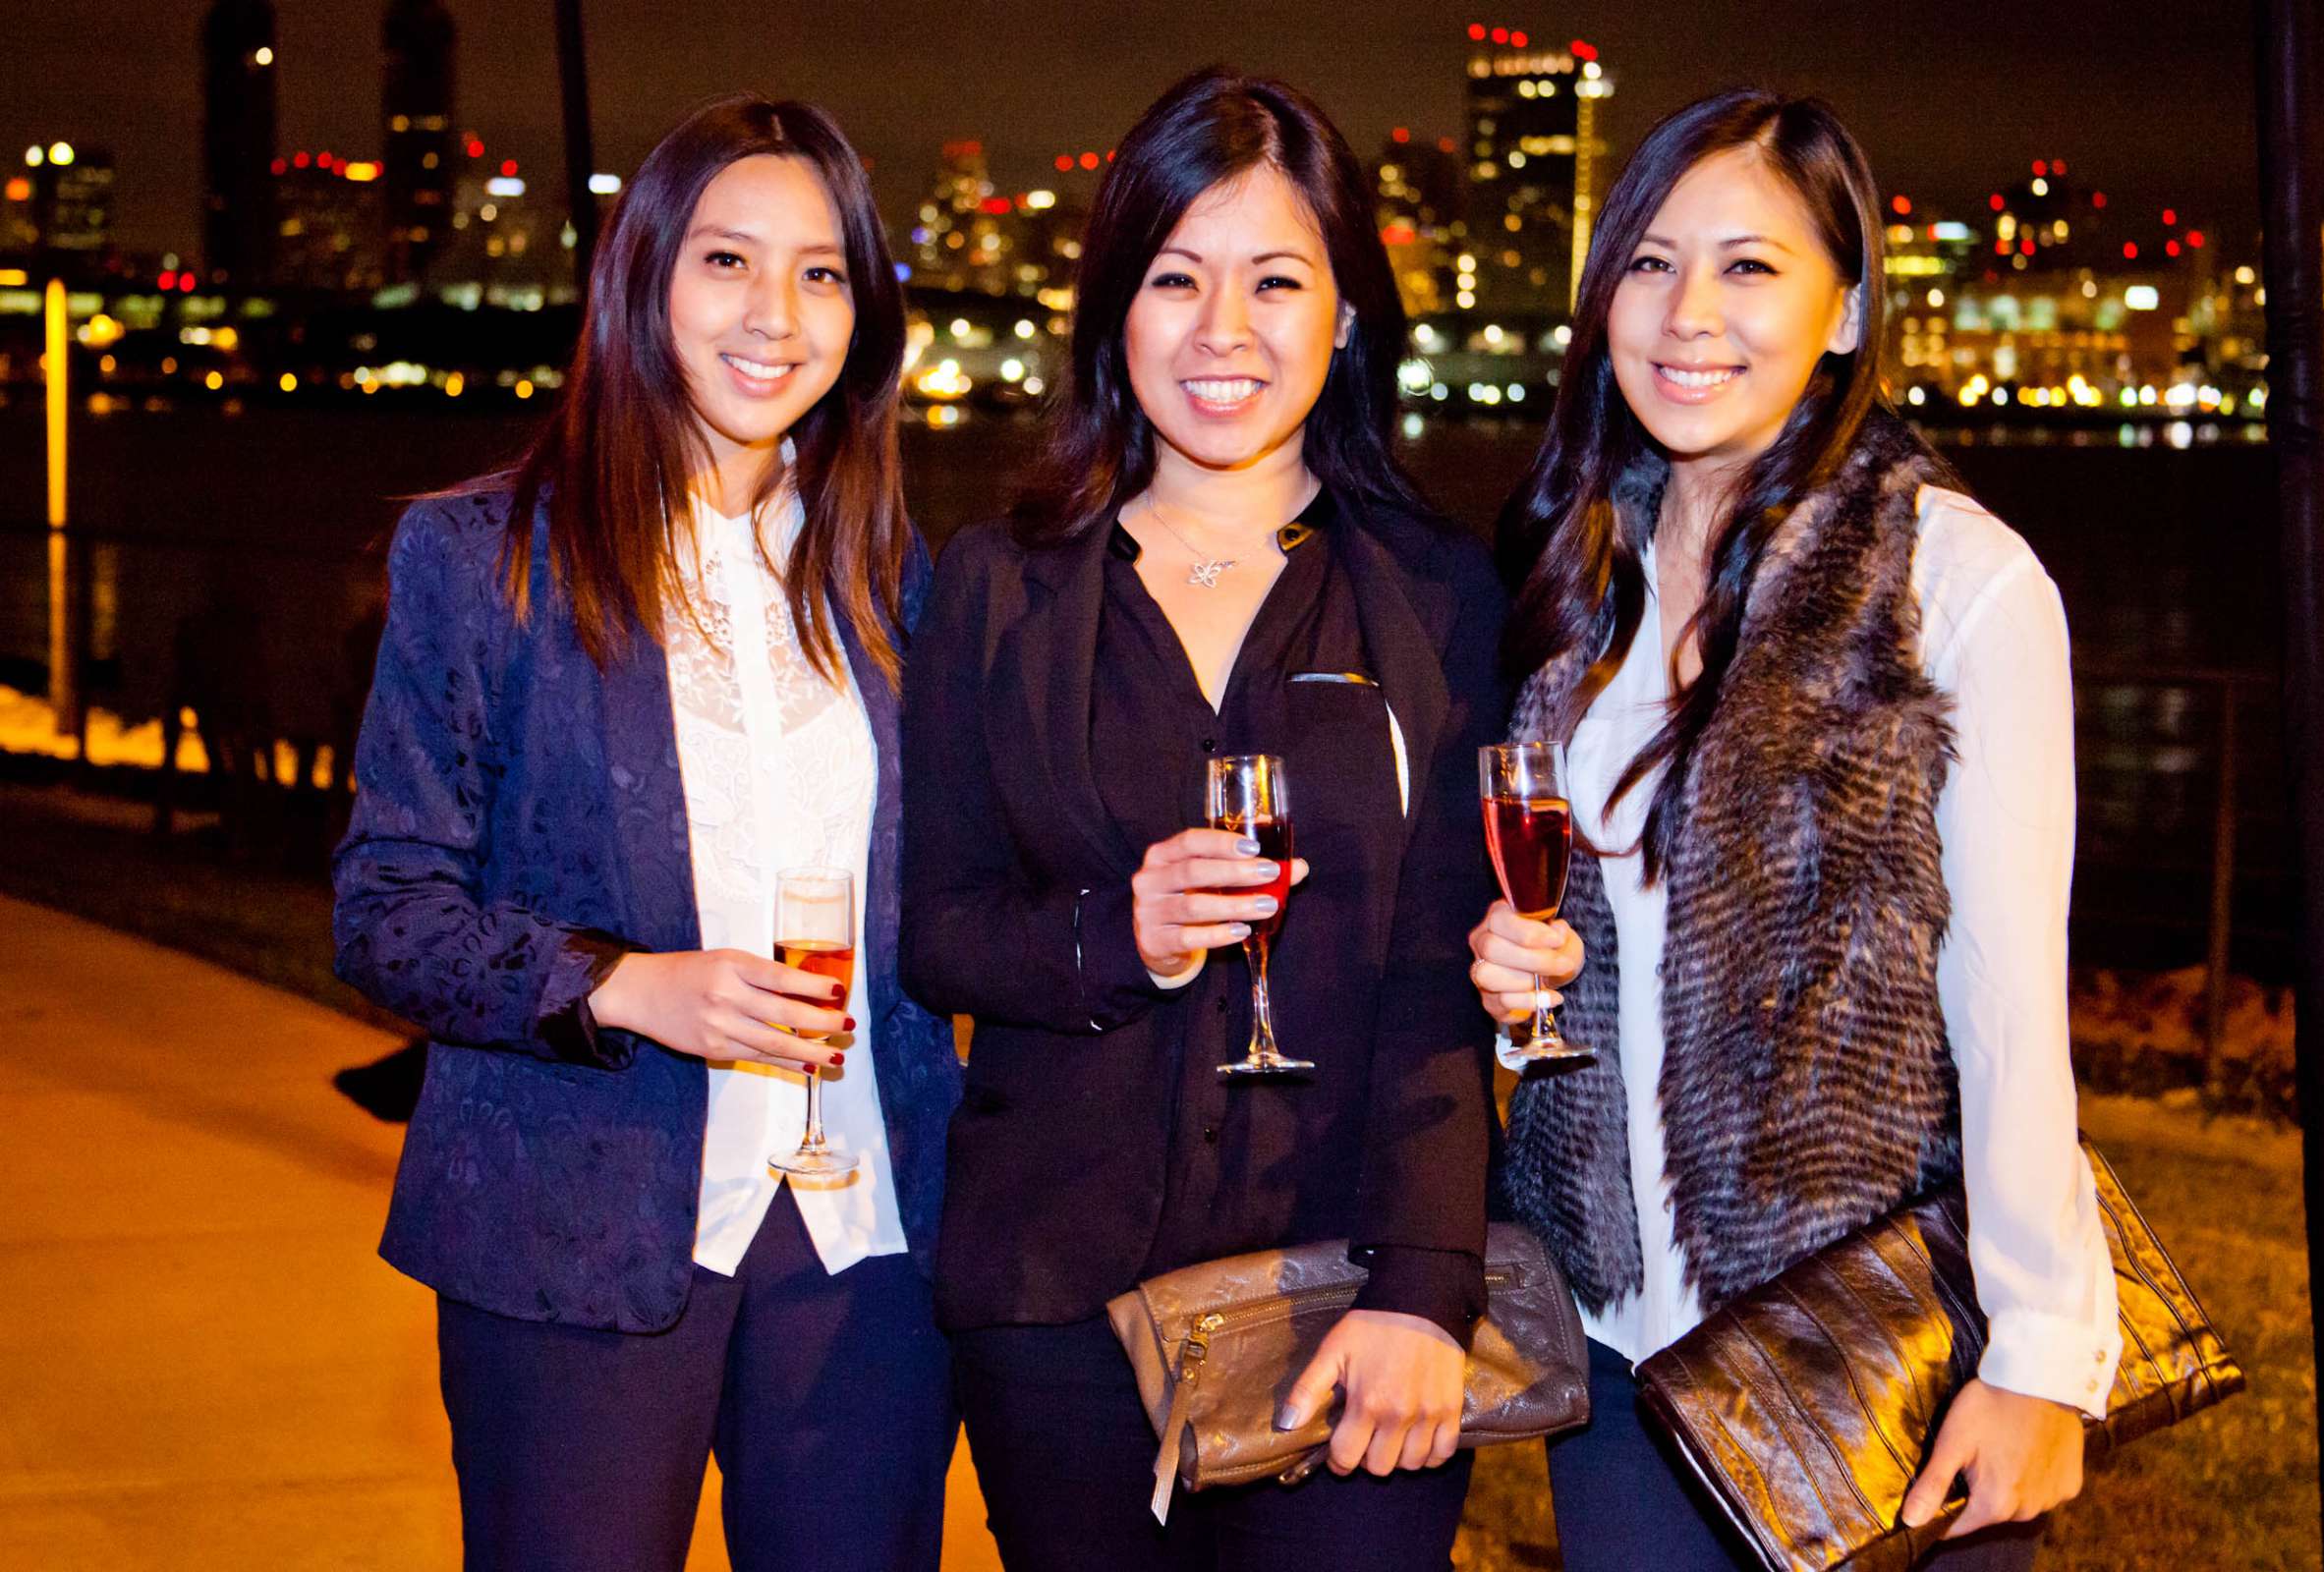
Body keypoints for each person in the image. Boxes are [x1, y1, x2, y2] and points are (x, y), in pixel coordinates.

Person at [1469, 89, 2122, 1572]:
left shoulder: (1953, 584)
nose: (1689, 311)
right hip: (1624, 1348)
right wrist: (1523, 993)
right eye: (1647, 261)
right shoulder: (1588, 578)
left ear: (1843, 310)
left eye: (1750, 266)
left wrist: (2040, 1357)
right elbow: (1606, 949)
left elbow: (2013, 1003)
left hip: (1867, 1342)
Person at [331, 95, 961, 1572]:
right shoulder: (483, 554)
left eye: (820, 273)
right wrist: (625, 984)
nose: (775, 314)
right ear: (644, 280)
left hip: (863, 1242)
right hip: (575, 1225)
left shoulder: (890, 575)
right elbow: (385, 907)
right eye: (727, 262)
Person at [901, 68, 1507, 1572]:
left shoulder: (1434, 596)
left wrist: (1424, 1289)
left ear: (1349, 315)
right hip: (1061, 1298)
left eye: (1276, 281)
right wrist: (1123, 934)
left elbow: (1446, 963)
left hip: (1343, 1294)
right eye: (1176, 278)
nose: (1221, 332)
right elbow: (940, 928)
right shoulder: (999, 586)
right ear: (1115, 308)